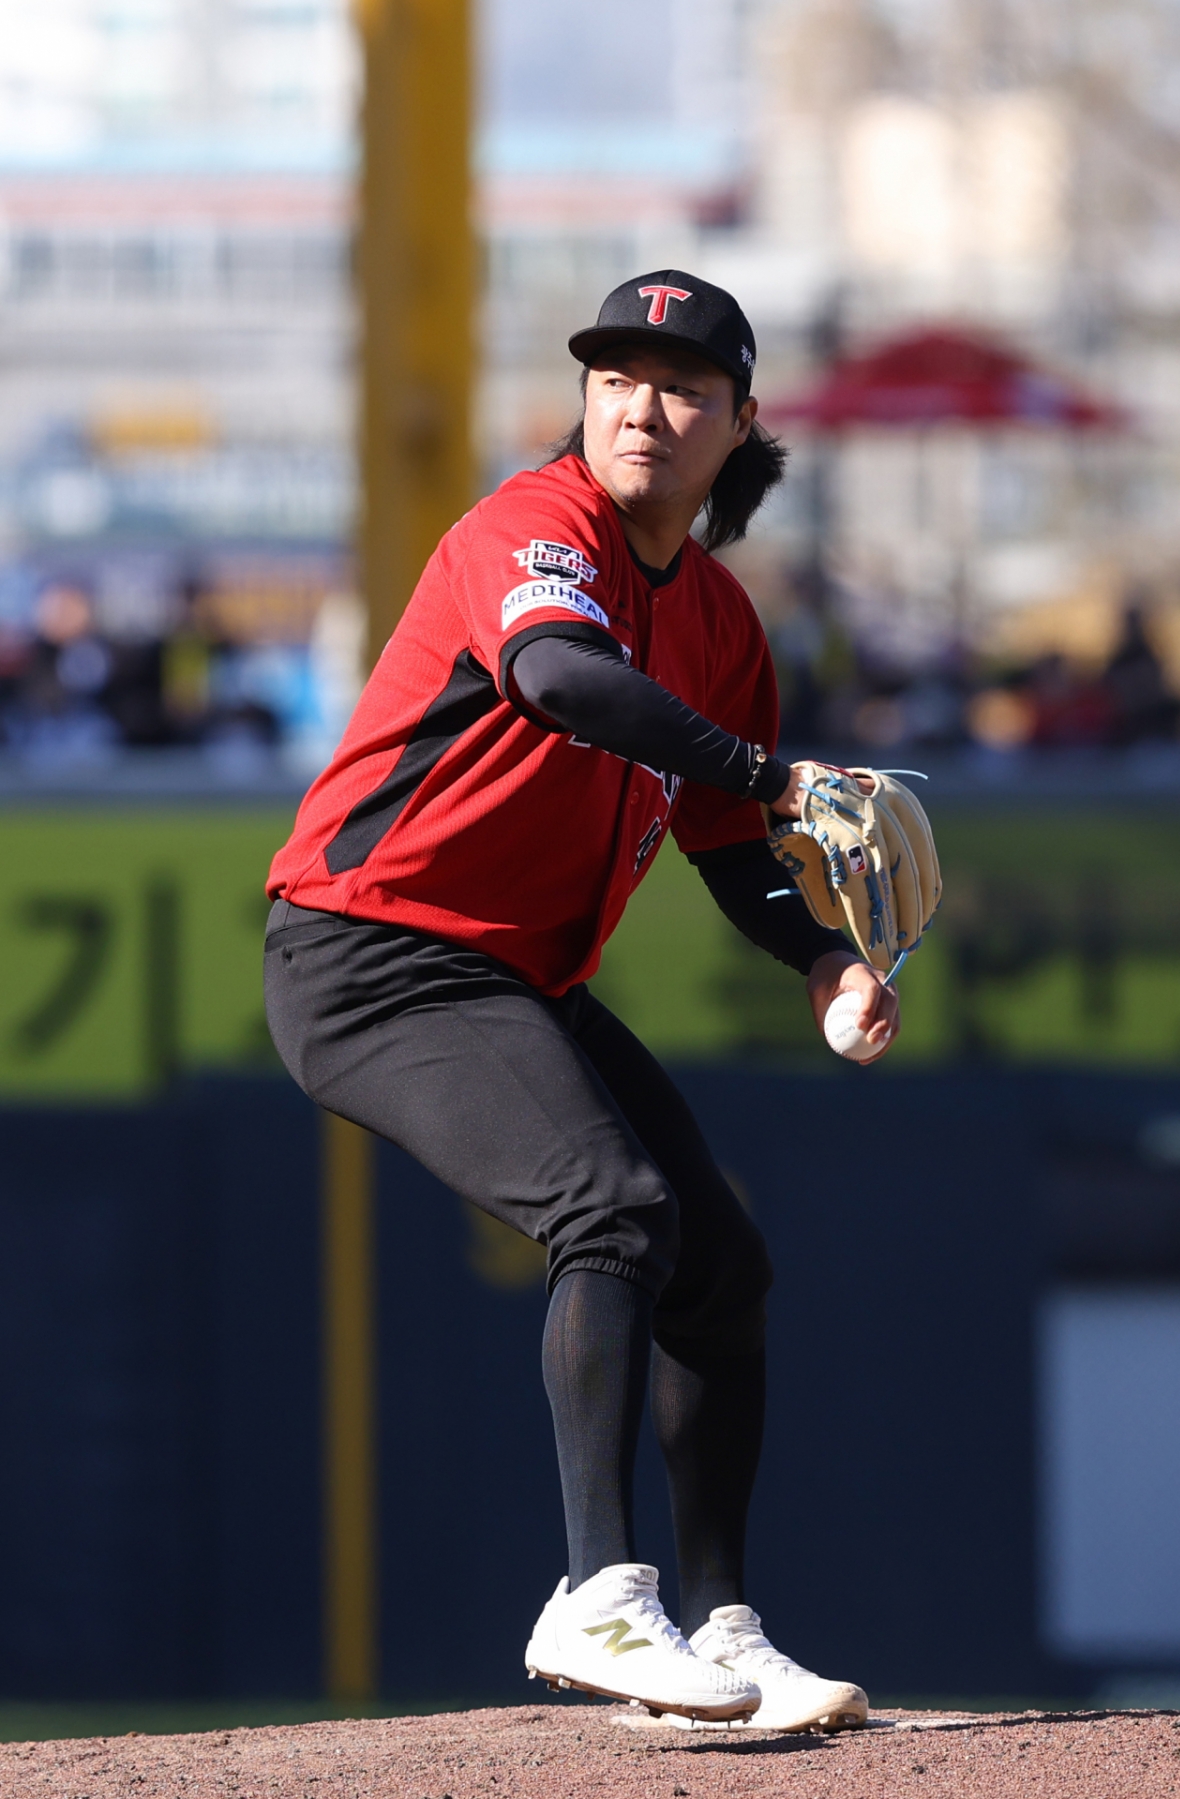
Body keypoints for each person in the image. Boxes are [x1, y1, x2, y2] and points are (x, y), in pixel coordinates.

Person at [263, 271, 899, 1731]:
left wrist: (822, 957)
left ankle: (725, 1629)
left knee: (720, 1267)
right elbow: (558, 677)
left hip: (509, 972)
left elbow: (731, 850)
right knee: (610, 1206)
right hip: (367, 952)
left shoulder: (723, 623)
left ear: (742, 423)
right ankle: (598, 1600)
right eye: (616, 375)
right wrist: (775, 772)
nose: (641, 405)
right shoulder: (529, 527)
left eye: (681, 385)